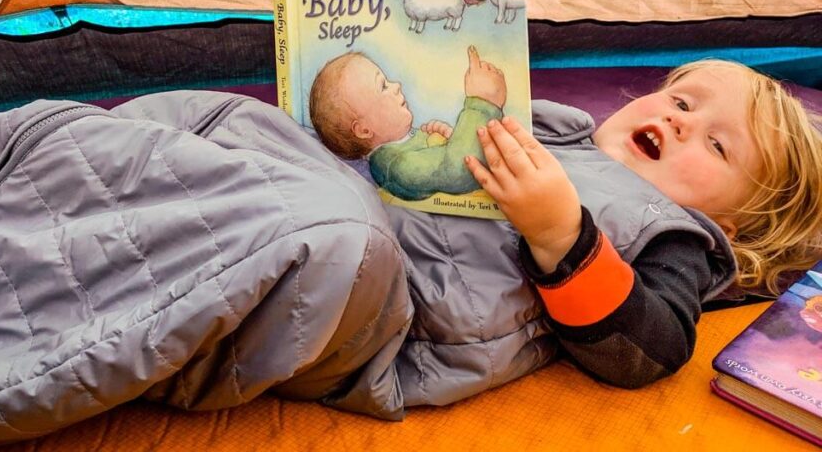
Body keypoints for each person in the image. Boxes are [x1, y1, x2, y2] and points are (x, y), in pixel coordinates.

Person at [314, 55, 822, 389]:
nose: (680, 120)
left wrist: (561, 237)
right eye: (681, 100)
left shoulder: (676, 236)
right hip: (350, 197)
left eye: (717, 144)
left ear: (725, 225)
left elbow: (651, 350)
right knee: (247, 123)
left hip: (395, 291)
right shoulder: (566, 132)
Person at [308, 46, 507, 200]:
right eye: (383, 86)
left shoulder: (404, 147)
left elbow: (444, 162)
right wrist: (482, 103)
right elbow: (459, 171)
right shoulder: (398, 167)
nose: (397, 86)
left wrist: (448, 142)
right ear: (364, 130)